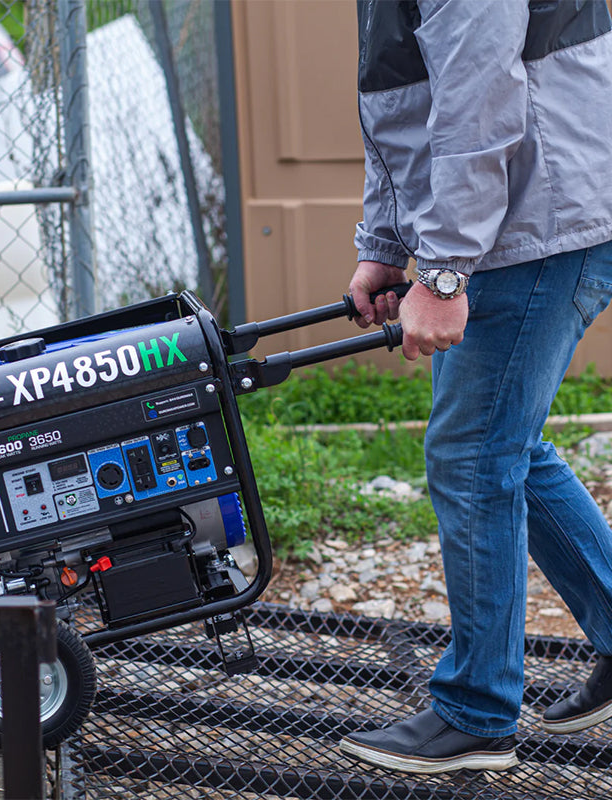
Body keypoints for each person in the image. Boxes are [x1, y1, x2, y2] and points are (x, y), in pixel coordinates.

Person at [338, 0, 612, 775]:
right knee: (502, 445)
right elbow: (403, 95)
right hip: (526, 219)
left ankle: (477, 713)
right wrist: (387, 245)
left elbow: (479, 98)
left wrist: (445, 266)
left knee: (473, 456)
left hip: (536, 224)